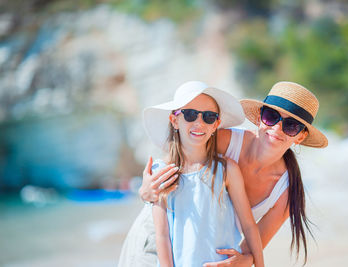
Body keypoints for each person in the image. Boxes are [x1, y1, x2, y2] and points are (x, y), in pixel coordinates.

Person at [134, 81, 328, 266]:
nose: (277, 128)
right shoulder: (222, 139)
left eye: (291, 125)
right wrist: (145, 192)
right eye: (271, 116)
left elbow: (253, 242)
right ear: (260, 118)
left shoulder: (286, 190)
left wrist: (246, 261)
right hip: (157, 235)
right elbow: (177, 158)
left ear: (301, 136)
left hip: (206, 252)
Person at [118, 81, 264, 267]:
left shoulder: (227, 170)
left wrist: (258, 263)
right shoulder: (162, 173)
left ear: (216, 125)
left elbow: (249, 225)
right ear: (175, 120)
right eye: (190, 114)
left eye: (209, 117)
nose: (199, 123)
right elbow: (162, 235)